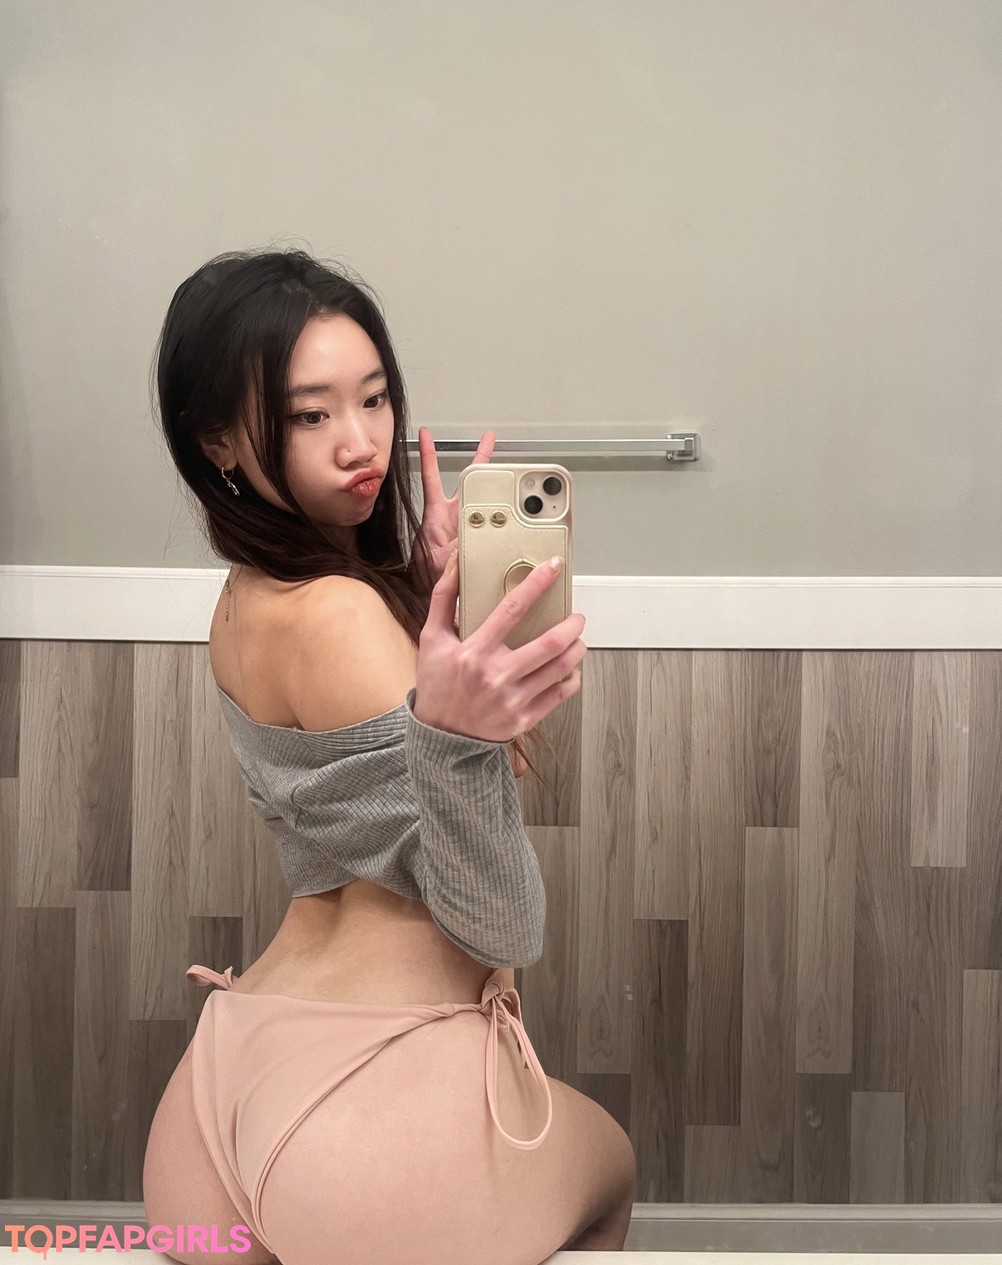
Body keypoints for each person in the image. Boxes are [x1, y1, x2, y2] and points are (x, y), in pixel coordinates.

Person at [141, 249, 636, 1265]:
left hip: (220, 1089)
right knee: (611, 1167)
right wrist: (454, 741)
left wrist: (420, 593)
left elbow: (347, 827)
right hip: (369, 1106)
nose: (360, 441)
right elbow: (498, 923)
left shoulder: (244, 603)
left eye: (373, 398)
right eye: (308, 414)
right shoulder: (340, 614)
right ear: (218, 438)